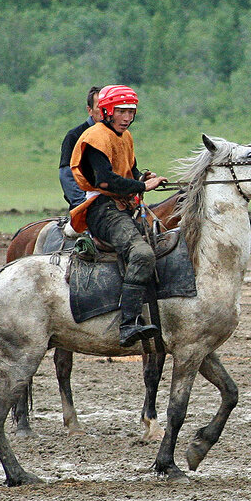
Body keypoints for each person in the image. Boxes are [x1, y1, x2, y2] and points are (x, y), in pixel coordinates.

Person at [68, 85, 168, 347]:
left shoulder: (126, 137)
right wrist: (141, 187)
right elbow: (104, 182)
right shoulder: (96, 137)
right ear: (108, 112)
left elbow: (128, 174)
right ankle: (127, 324)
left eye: (131, 112)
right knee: (142, 254)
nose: (127, 117)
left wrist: (142, 179)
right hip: (103, 209)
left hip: (123, 205)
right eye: (122, 111)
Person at [59, 86, 103, 209]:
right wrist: (82, 205)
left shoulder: (119, 135)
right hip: (89, 204)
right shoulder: (75, 136)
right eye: (100, 107)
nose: (105, 111)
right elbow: (67, 175)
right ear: (90, 110)